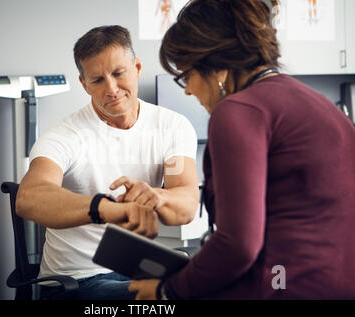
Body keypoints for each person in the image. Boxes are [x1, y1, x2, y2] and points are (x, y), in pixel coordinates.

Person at [129, 0, 355, 299]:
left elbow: (238, 245)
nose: (186, 89)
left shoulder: (238, 111)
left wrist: (168, 290)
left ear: (216, 66)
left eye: (186, 74)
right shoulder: (323, 106)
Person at [15, 25, 199, 300]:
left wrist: (156, 197)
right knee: (166, 297)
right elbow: (29, 198)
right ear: (84, 84)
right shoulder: (64, 136)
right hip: (77, 283)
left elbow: (185, 206)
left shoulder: (172, 126)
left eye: (118, 73)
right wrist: (106, 209)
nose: (111, 89)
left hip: (138, 267)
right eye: (98, 80)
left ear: (136, 67)